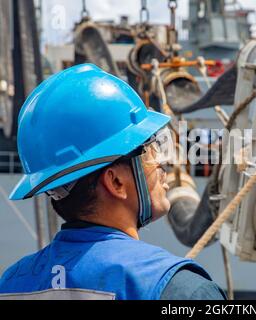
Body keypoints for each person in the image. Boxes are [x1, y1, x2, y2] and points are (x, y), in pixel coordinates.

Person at [0, 64, 226, 300]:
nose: (162, 162)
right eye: (150, 149)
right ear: (116, 181)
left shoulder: (10, 284)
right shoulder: (182, 290)